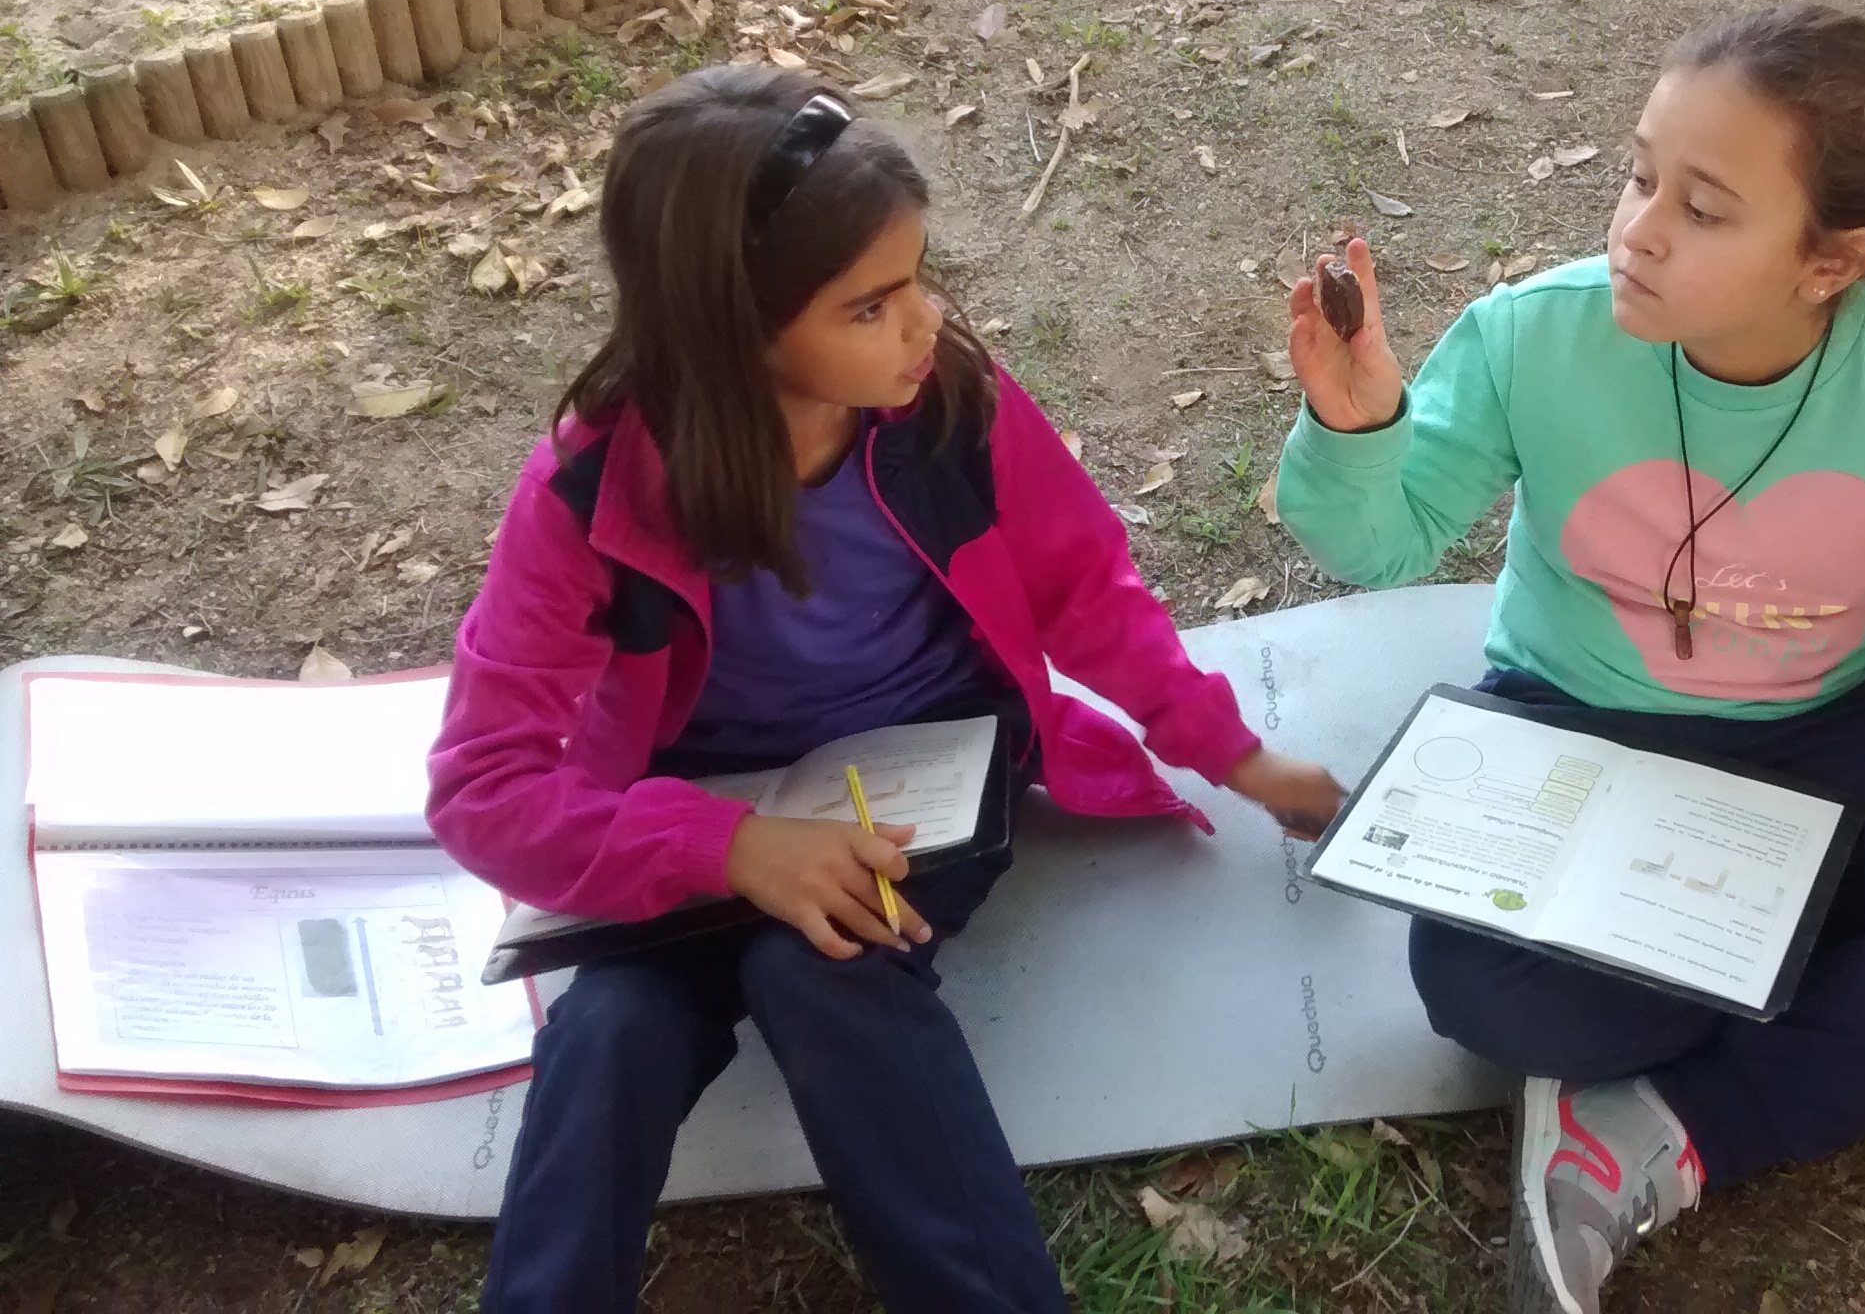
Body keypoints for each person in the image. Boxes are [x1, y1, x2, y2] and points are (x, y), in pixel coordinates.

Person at [426, 66, 1345, 1314]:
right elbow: (482, 788)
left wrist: (1233, 753)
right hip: (688, 810)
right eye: (870, 305)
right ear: (729, 328)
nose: (922, 324)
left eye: (918, 278)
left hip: (923, 778)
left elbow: (1086, 588)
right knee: (611, 1027)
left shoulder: (946, 400)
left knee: (821, 965)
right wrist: (726, 846)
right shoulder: (586, 491)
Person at [1272, 5, 1865, 1314]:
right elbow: (1383, 543)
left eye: (1704, 209)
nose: (1637, 229)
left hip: (1829, 728)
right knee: (1484, 987)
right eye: (1638, 176)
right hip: (1576, 721)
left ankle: (1659, 1130)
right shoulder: (1536, 334)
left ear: (1831, 261)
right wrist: (1356, 428)